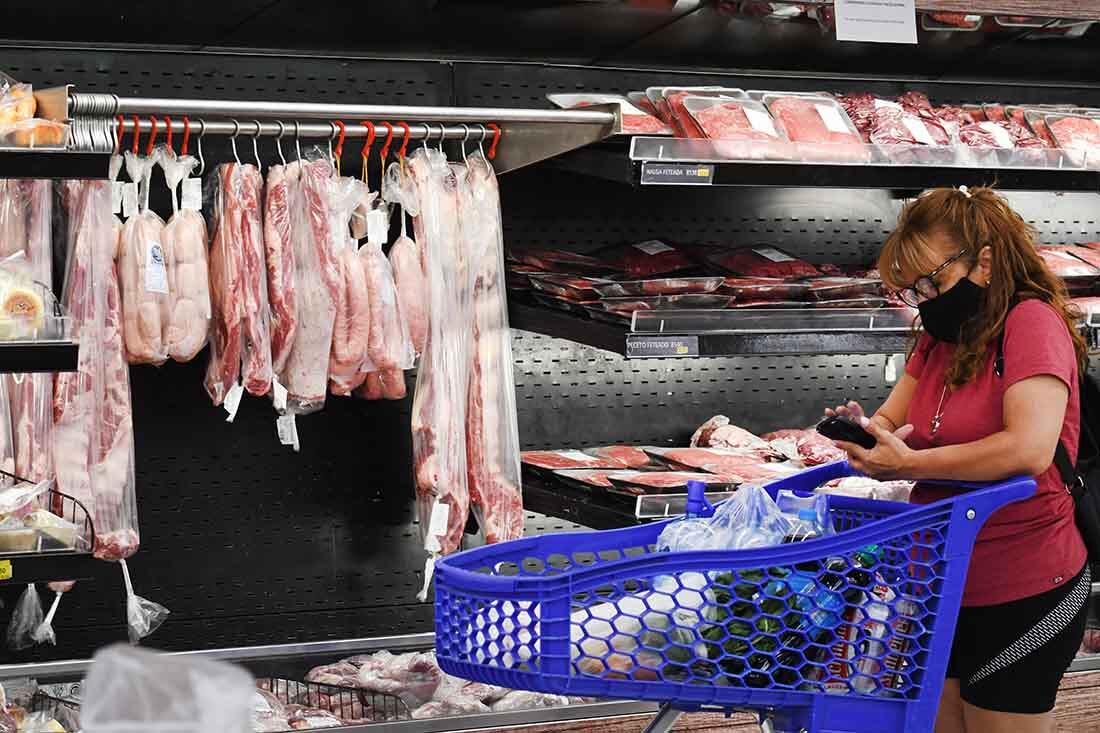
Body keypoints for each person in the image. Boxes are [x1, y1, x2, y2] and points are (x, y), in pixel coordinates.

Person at [827, 186, 1089, 733]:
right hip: (941, 580)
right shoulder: (939, 337)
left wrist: (910, 465)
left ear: (985, 262)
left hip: (1025, 585)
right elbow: (896, 424)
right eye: (912, 289)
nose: (924, 299)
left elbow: (1029, 448)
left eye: (933, 282)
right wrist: (868, 439)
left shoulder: (1031, 323)